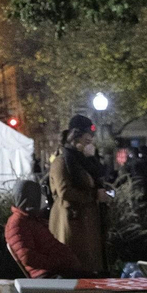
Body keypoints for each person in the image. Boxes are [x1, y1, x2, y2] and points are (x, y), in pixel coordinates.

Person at [48, 114, 109, 276]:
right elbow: (65, 192)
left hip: (86, 221)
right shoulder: (62, 161)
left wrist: (92, 158)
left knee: (88, 270)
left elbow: (99, 176)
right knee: (75, 269)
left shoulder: (83, 161)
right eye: (88, 135)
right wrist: (94, 196)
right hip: (72, 221)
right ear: (77, 136)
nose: (91, 138)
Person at [4, 180, 82, 278]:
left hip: (58, 271)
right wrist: (59, 262)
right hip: (48, 275)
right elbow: (28, 257)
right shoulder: (17, 223)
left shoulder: (32, 219)